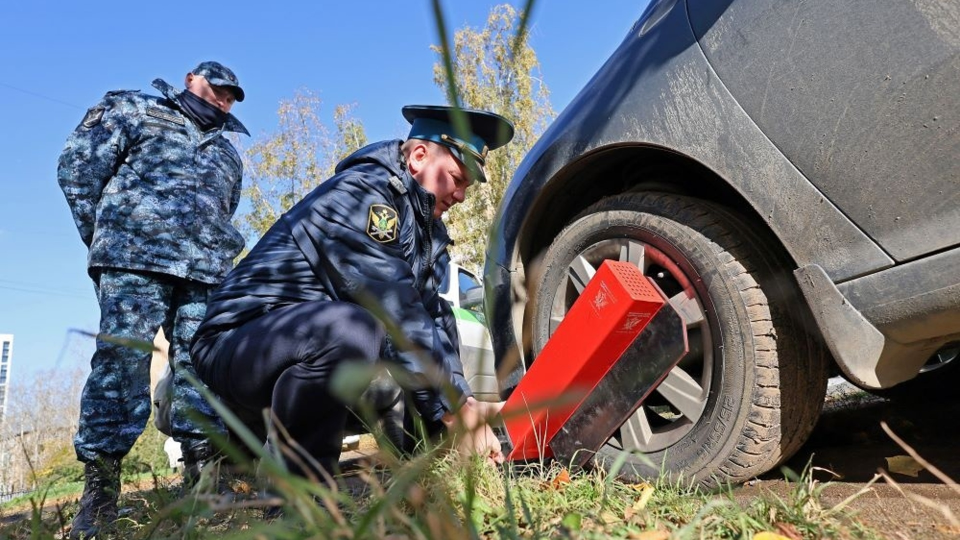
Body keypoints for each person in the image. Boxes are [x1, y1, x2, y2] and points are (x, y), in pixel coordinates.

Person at [190, 105, 514, 481]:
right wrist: (456, 411)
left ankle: (430, 467)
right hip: (236, 345)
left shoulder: (424, 229)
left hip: (300, 348)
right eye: (457, 178)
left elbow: (430, 319)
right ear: (419, 156)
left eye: (466, 187)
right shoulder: (361, 195)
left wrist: (465, 400)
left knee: (437, 323)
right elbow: (392, 307)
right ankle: (298, 490)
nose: (460, 195)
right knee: (356, 328)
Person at [57, 61, 248, 538]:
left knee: (202, 369)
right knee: (121, 363)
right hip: (133, 262)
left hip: (204, 275)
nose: (223, 100)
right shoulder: (134, 111)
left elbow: (226, 209)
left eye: (231, 96)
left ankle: (199, 484)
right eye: (217, 89)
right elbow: (77, 169)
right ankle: (99, 494)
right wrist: (108, 238)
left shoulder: (229, 155)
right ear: (190, 80)